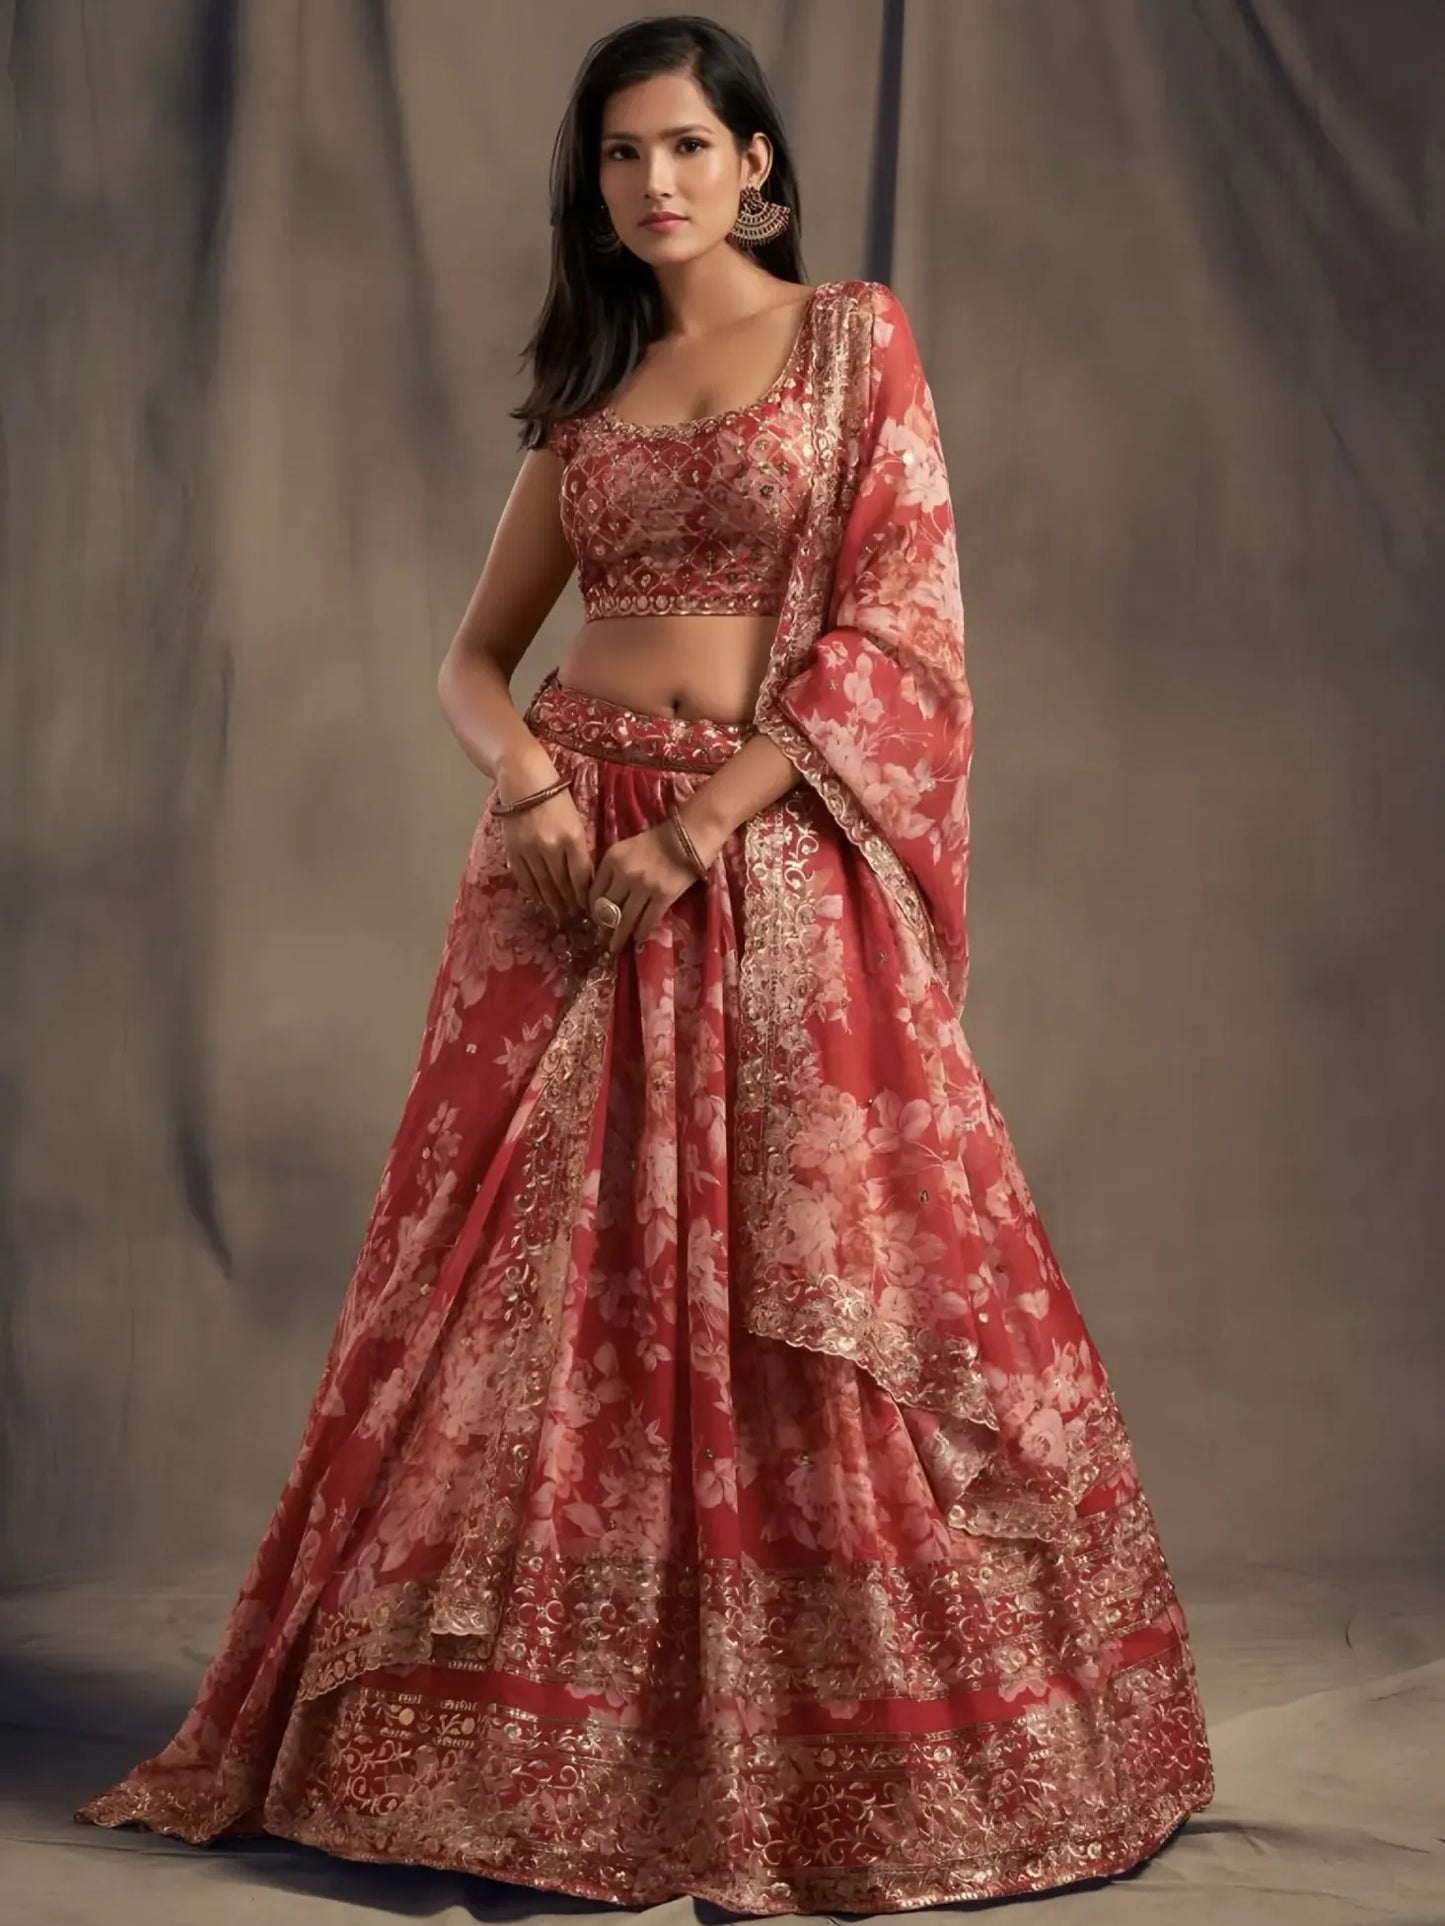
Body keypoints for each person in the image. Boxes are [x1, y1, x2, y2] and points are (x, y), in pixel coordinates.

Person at [75, 13, 1215, 1915]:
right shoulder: (592, 379)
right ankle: (520, 1754)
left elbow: (891, 633)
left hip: (761, 867)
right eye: (619, 157)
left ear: (754, 162)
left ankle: (833, 1761)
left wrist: (695, 830)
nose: (654, 182)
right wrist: (529, 789)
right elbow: (472, 651)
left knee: (816, 1266)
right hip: (560, 874)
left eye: (686, 145)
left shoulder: (851, 339)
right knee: (530, 1293)